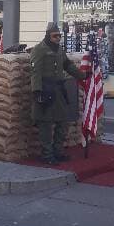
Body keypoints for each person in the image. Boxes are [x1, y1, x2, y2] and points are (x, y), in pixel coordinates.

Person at [30, 22, 87, 164]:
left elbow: (67, 65)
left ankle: (58, 151)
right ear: (48, 36)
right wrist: (37, 92)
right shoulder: (39, 50)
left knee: (63, 122)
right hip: (45, 90)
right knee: (46, 125)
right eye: (55, 36)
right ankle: (47, 155)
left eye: (59, 36)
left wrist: (82, 75)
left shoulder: (60, 50)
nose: (57, 38)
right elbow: (35, 72)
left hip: (59, 91)